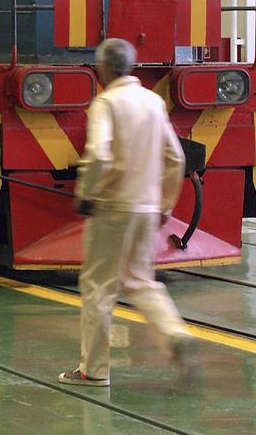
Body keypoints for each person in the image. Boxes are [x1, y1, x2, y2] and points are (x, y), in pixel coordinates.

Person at [59, 38, 193, 388]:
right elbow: (176, 158)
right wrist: (165, 204)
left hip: (112, 208)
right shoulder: (153, 102)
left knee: (98, 290)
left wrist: (86, 193)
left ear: (103, 68)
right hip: (147, 208)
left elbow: (101, 155)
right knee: (140, 281)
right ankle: (175, 332)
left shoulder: (106, 103)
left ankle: (94, 371)